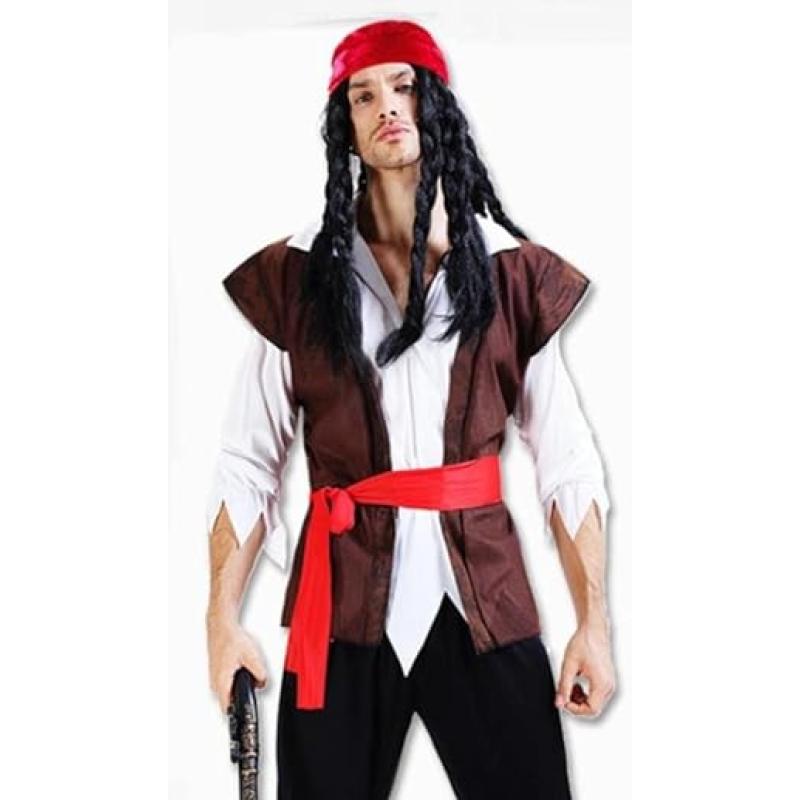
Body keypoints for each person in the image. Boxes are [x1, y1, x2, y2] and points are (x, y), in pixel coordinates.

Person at [205, 18, 615, 799]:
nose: (387, 105)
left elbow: (566, 463)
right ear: (347, 128)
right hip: (340, 610)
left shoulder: (510, 274)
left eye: (403, 86)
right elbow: (246, 463)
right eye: (363, 96)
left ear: (437, 107)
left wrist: (593, 625)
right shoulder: (298, 277)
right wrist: (220, 622)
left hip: (484, 599)